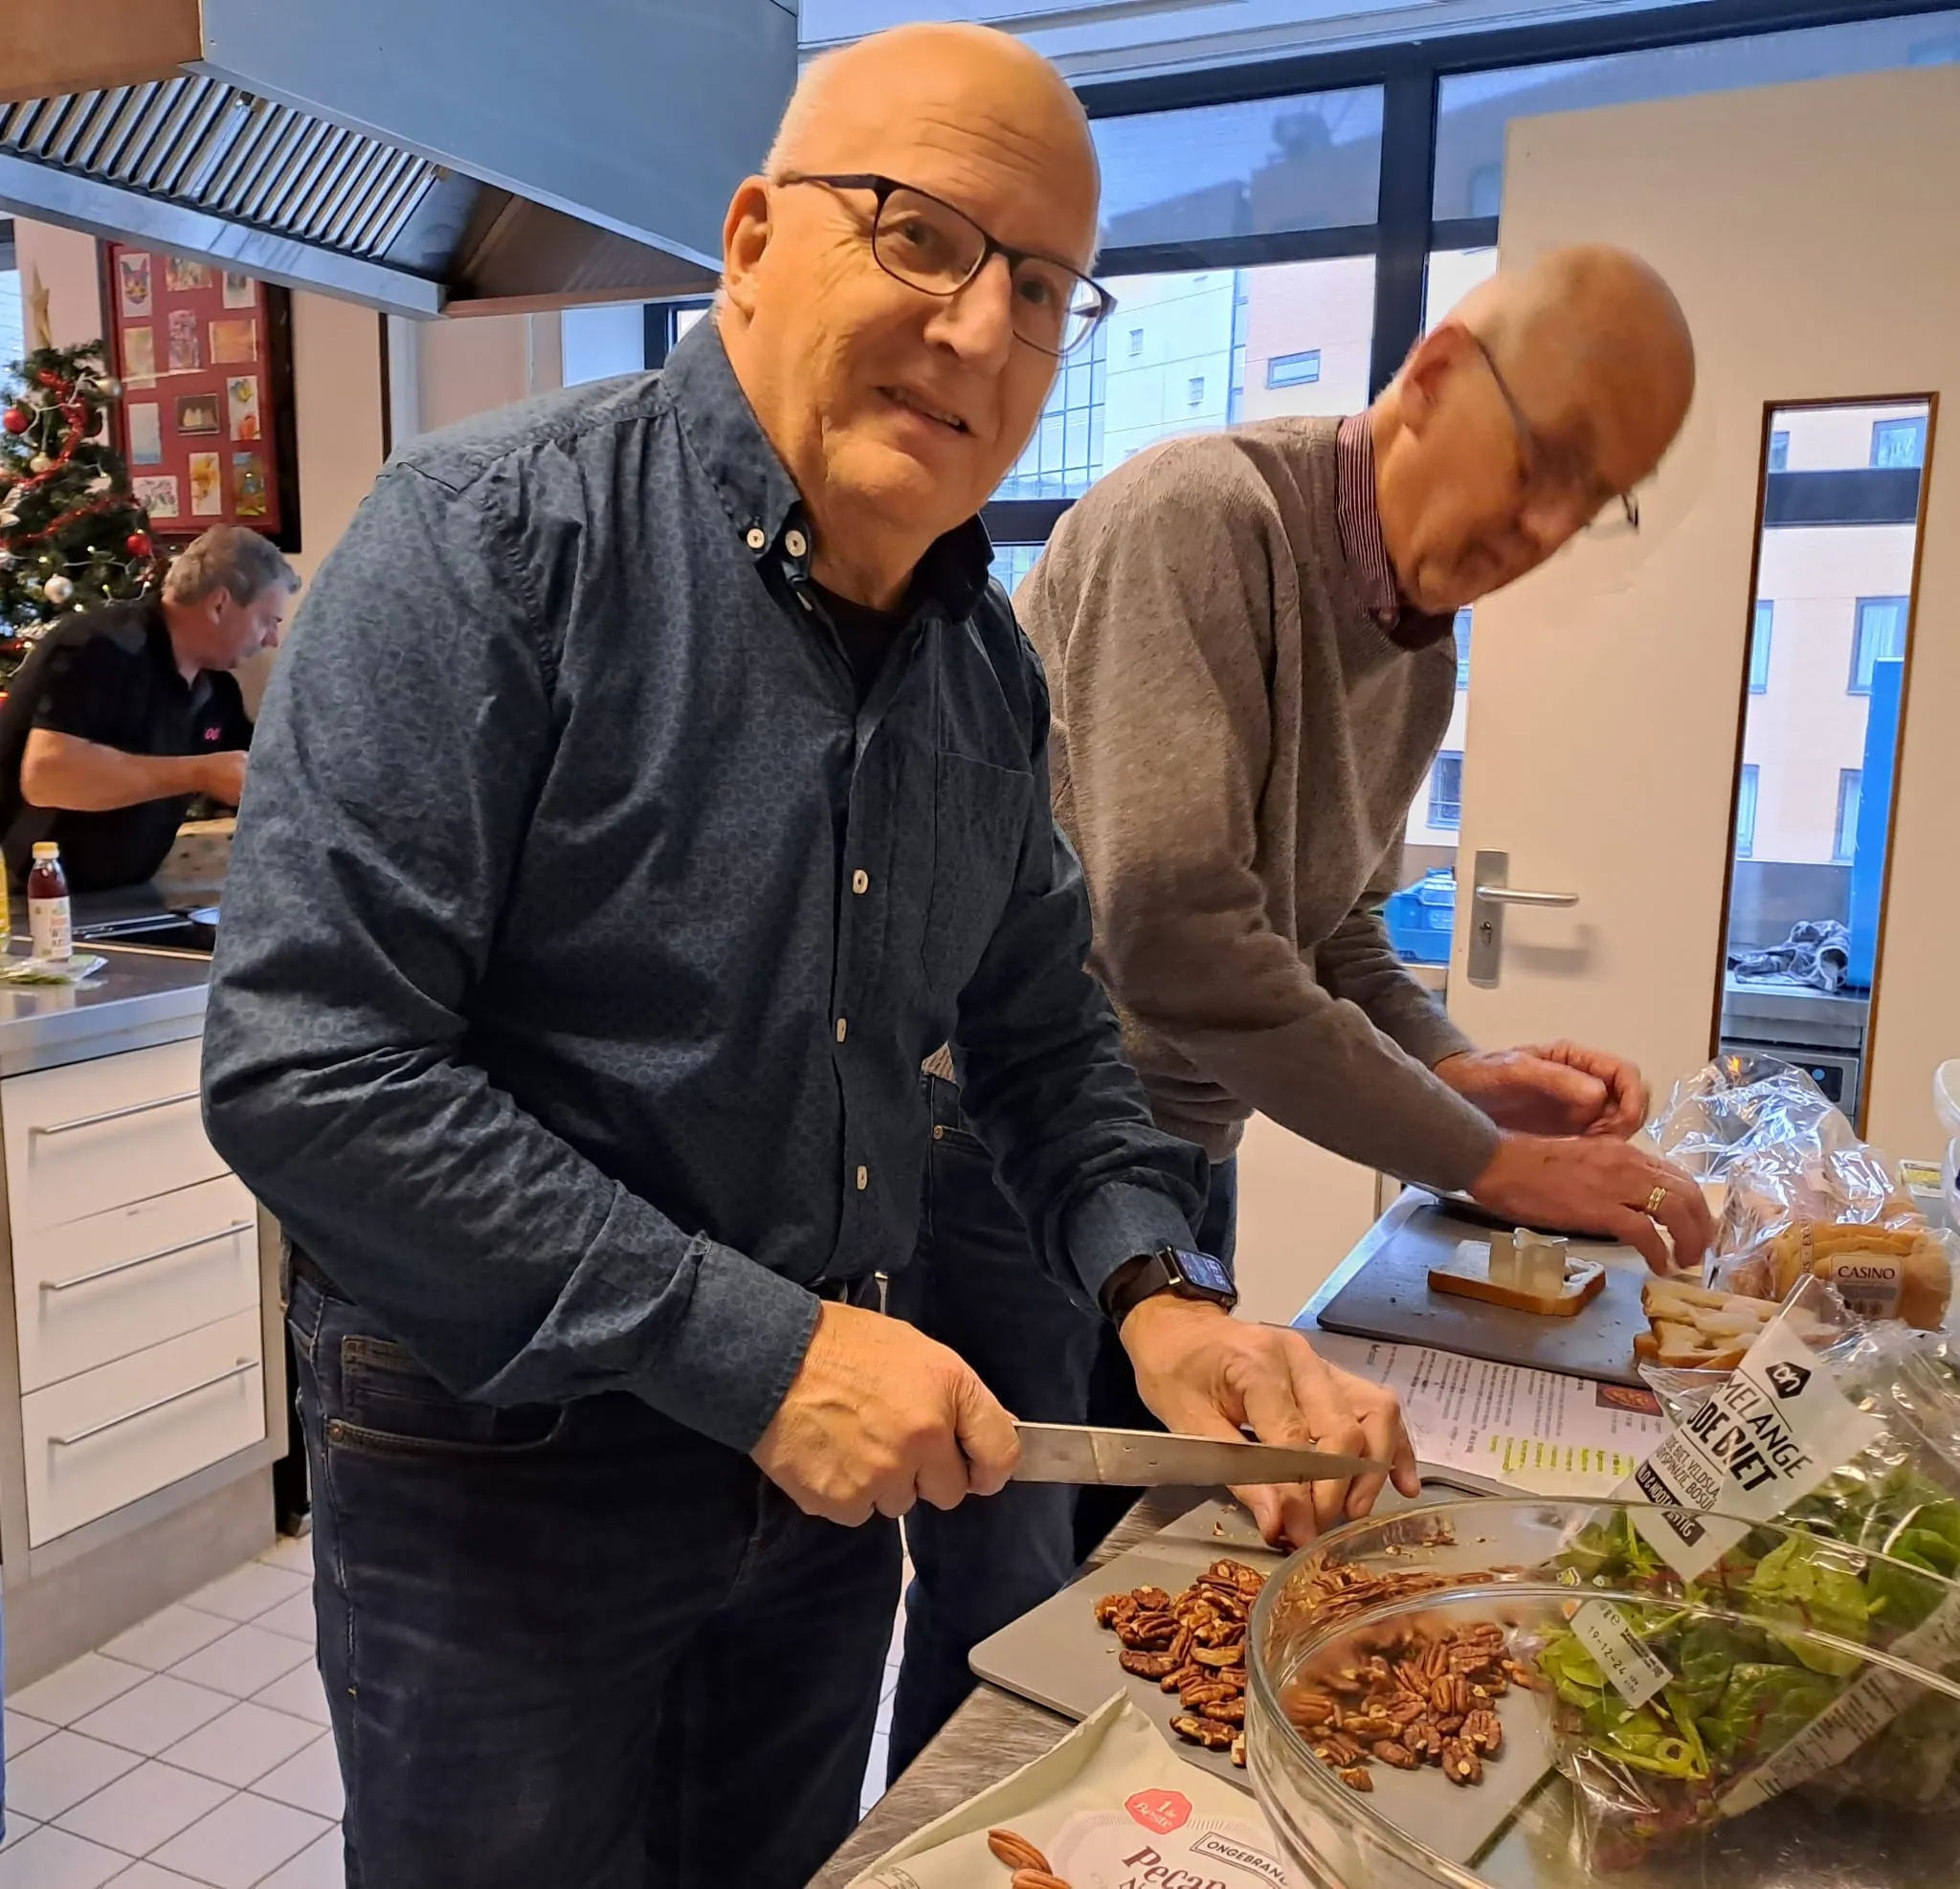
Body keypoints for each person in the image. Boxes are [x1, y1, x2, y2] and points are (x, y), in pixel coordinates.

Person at [199, 24, 1416, 1889]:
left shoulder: (979, 671)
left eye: (1037, 289)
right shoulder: (486, 549)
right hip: (506, 1486)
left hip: (827, 1482)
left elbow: (1047, 1051)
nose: (977, 329)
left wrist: (1164, 1299)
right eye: (920, 236)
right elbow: (309, 1068)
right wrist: (758, 1356)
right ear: (755, 238)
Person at [888, 244, 1717, 1777]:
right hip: (1003, 1151)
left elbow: (1330, 927)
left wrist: (1478, 1074)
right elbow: (1177, 934)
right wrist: (1491, 1162)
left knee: (1126, 1548)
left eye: (1589, 501)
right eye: (1540, 465)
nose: (1541, 530)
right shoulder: (1204, 518)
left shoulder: (1414, 637)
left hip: (1177, 1155)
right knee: (1001, 1583)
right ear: (1437, 377)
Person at [0, 524, 291, 893]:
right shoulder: (98, 647)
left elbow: (261, 769)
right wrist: (199, 772)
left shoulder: (215, 690)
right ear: (220, 604)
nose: (272, 639)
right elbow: (46, 776)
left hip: (126, 898)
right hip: (29, 905)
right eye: (267, 621)